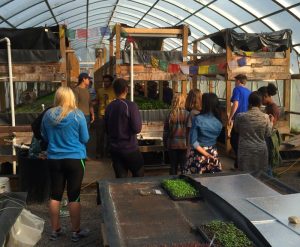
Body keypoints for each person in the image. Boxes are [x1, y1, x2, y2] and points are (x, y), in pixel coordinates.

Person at [41, 86, 89, 242]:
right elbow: (85, 138)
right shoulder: (78, 115)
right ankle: (76, 232)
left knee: (55, 195)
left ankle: (55, 230)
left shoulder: (47, 115)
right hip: (75, 159)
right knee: (74, 196)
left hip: (54, 159)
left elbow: (44, 137)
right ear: (71, 98)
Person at [104, 78, 144, 178]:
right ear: (126, 89)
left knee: (121, 180)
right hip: (130, 149)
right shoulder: (130, 106)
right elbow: (137, 128)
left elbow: (107, 129)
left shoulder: (109, 107)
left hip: (115, 150)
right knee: (139, 176)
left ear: (114, 90)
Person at [234, 91, 273, 173]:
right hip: (260, 151)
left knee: (244, 175)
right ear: (260, 102)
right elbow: (268, 133)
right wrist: (271, 122)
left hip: (245, 150)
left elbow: (236, 130)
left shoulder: (240, 116)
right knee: (260, 175)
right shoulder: (265, 117)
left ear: (249, 101)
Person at [185, 93, 222, 174]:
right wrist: (209, 155)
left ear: (205, 104)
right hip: (213, 153)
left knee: (195, 183)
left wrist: (206, 154)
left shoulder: (197, 119)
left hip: (198, 155)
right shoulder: (219, 122)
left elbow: (193, 142)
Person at [227, 74, 251, 169]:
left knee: (234, 140)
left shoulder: (237, 89)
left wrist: (230, 118)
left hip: (238, 119)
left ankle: (239, 163)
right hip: (246, 120)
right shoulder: (249, 92)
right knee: (242, 141)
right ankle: (239, 164)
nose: (234, 82)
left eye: (235, 80)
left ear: (239, 81)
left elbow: (235, 104)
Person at [258, 83, 282, 174]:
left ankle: (269, 180)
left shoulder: (273, 108)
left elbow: (271, 125)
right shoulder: (269, 106)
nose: (260, 101)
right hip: (267, 135)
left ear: (265, 96)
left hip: (269, 137)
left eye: (261, 98)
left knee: (267, 162)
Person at [163, 93, 188, 175]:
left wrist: (165, 143)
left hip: (172, 144)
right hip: (184, 145)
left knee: (173, 166)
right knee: (184, 166)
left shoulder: (170, 114)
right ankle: (184, 183)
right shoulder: (188, 114)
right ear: (183, 102)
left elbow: (166, 131)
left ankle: (172, 182)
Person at [96, 74, 115, 158]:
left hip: (111, 116)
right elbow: (96, 102)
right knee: (100, 135)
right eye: (104, 81)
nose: (105, 83)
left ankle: (108, 152)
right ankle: (99, 152)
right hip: (101, 115)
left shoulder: (114, 91)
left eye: (107, 81)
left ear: (111, 82)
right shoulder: (100, 90)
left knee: (110, 135)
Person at [185, 88, 202, 153]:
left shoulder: (192, 112)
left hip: (193, 144)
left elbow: (188, 131)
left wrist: (188, 146)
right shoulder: (202, 111)